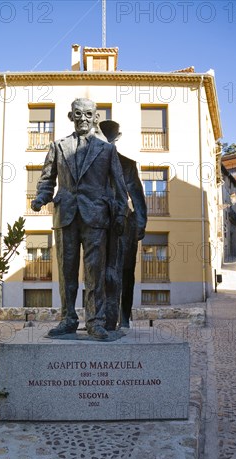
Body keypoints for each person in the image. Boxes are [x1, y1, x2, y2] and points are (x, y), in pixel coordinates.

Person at [31, 99, 128, 340]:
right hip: (65, 215)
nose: (83, 118)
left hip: (96, 216)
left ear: (96, 118)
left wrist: (119, 214)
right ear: (70, 116)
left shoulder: (106, 149)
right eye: (78, 114)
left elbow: (119, 186)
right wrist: (41, 198)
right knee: (67, 271)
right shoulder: (58, 146)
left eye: (88, 114)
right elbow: (46, 180)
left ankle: (95, 321)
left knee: (94, 272)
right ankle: (68, 319)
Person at [98, 120, 147, 329]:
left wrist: (139, 225)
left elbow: (137, 198)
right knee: (100, 272)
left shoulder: (127, 164)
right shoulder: (94, 166)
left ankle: (124, 317)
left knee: (125, 272)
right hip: (100, 224)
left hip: (125, 225)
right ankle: (102, 318)